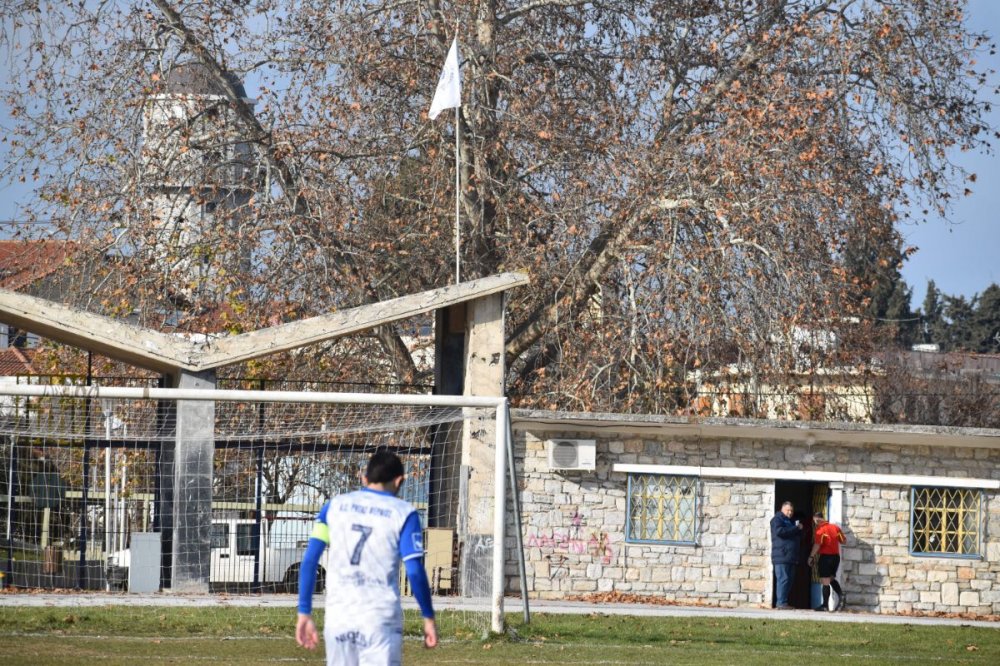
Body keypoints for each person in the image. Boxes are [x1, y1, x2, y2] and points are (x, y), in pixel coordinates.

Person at [296, 449, 437, 664]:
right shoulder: (404, 513)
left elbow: (309, 561)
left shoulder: (333, 506)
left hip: (339, 617)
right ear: (399, 481)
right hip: (379, 619)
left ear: (364, 478)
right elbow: (415, 572)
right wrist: (428, 616)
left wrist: (304, 612)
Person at [807, 511, 847, 611]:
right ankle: (841, 597)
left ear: (816, 519)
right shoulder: (835, 527)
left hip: (826, 557)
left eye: (814, 520)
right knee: (831, 579)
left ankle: (825, 605)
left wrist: (811, 557)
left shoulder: (820, 530)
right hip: (836, 558)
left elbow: (817, 545)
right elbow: (844, 541)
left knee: (825, 581)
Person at [770, 500, 802, 609]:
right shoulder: (777, 520)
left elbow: (795, 536)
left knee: (789, 580)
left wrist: (799, 529)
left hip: (791, 557)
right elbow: (780, 532)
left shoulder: (792, 521)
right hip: (781, 555)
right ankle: (781, 603)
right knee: (783, 579)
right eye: (788, 510)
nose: (790, 512)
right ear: (782, 509)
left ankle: (783, 601)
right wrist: (795, 528)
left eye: (791, 511)